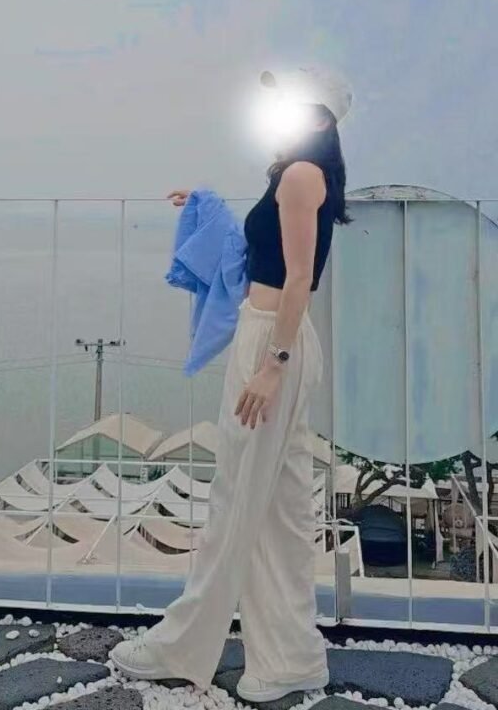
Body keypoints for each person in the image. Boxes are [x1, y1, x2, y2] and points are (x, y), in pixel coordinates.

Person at [110, 65, 353, 703]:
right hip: (276, 336)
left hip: (274, 340)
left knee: (235, 500)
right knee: (278, 511)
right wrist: (205, 204)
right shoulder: (297, 174)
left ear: (318, 117)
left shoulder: (301, 176)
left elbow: (298, 278)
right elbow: (266, 254)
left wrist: (271, 365)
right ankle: (292, 657)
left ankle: (181, 645)